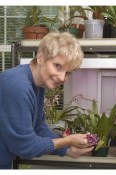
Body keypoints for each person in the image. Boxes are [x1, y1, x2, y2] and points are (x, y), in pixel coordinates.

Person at [0, 31, 94, 169]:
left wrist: (67, 149)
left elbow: (39, 129)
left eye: (67, 72)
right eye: (58, 66)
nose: (62, 78)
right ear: (40, 57)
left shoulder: (37, 86)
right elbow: (25, 147)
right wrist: (67, 140)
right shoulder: (16, 84)